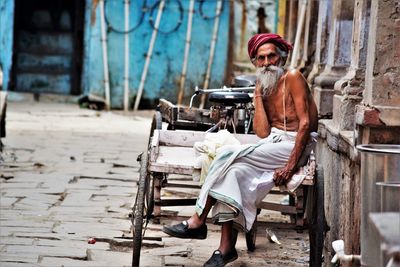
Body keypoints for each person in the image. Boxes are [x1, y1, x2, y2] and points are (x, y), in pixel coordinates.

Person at [162, 33, 319, 267]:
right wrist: (257, 93)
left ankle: (197, 220)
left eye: (271, 57)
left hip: (296, 144)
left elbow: (305, 124)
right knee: (232, 174)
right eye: (261, 59)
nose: (267, 63)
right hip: (273, 144)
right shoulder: (264, 86)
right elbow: (263, 132)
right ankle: (225, 250)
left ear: (282, 58)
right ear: (255, 62)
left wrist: (290, 166)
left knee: (226, 156)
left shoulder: (293, 77)